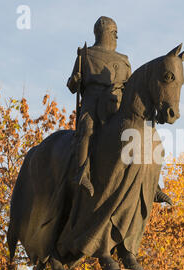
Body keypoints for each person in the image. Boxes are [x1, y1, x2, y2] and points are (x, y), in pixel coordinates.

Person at [67, 16, 131, 196]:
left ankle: (149, 179)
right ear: (104, 33)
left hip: (116, 102)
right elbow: (72, 86)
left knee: (138, 131)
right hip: (93, 100)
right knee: (87, 128)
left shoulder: (124, 59)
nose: (116, 38)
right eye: (114, 33)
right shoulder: (85, 54)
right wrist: (76, 80)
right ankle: (82, 172)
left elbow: (131, 86)